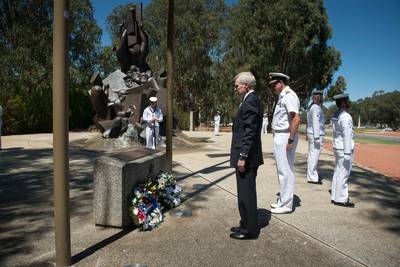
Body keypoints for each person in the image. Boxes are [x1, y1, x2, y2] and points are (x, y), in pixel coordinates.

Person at [229, 72, 263, 240]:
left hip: (246, 158)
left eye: (237, 86)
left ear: (246, 85)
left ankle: (250, 230)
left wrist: (242, 156)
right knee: (244, 192)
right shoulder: (249, 100)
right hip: (246, 155)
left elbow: (249, 132)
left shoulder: (250, 101)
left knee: (247, 193)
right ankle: (245, 223)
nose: (235, 89)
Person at [269, 72, 300, 214]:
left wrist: (291, 139)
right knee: (282, 170)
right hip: (280, 136)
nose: (273, 87)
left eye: (274, 84)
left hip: (285, 136)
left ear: (281, 82)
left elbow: (296, 119)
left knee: (286, 171)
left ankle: (287, 205)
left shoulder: (289, 96)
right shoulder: (283, 96)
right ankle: (282, 200)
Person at [331, 93, 355, 207]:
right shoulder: (346, 116)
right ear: (344, 102)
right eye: (347, 100)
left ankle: (335, 196)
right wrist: (347, 152)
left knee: (338, 172)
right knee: (344, 173)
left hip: (337, 146)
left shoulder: (337, 115)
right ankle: (341, 199)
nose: (349, 102)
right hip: (344, 148)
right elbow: (347, 135)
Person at [306, 90, 325, 184]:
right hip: (316, 134)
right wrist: (317, 137)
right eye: (321, 96)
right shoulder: (316, 108)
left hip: (312, 133)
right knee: (314, 156)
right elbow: (316, 123)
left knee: (311, 155)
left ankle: (311, 175)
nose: (322, 98)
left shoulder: (312, 107)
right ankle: (312, 177)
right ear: (318, 97)